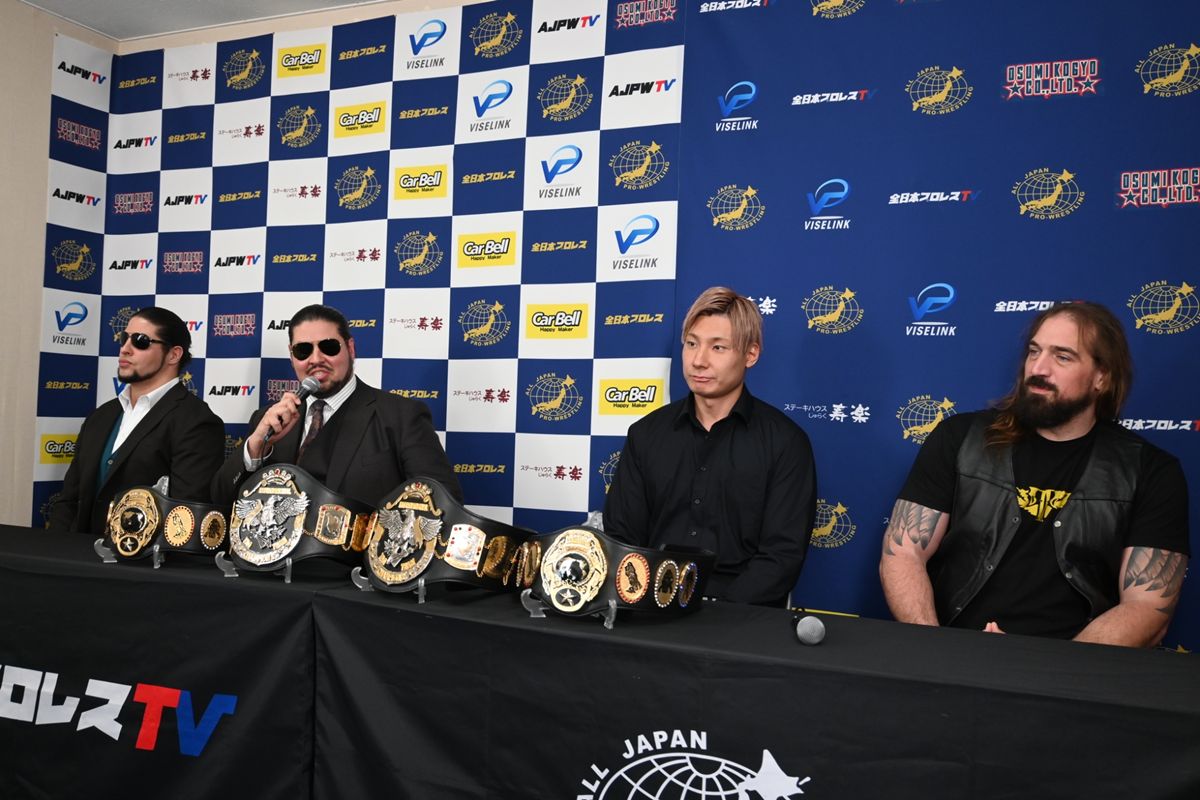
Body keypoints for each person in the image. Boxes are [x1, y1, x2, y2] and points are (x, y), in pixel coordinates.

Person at [880, 302, 1189, 647]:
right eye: (1034, 351)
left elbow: (1148, 607)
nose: (1039, 368)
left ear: (1102, 377)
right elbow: (902, 553)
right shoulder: (960, 438)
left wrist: (1052, 668)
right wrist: (936, 648)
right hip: (955, 650)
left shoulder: (1150, 471)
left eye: (1062, 357)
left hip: (1075, 667)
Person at [603, 286, 817, 606]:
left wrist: (721, 616)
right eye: (692, 344)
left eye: (718, 347)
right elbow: (622, 538)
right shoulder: (645, 434)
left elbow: (781, 556)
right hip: (652, 609)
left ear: (751, 354)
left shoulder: (785, 443)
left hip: (743, 618)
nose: (698, 361)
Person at [212, 304, 461, 507]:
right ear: (292, 356)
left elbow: (441, 504)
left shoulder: (400, 416)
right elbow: (221, 500)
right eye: (303, 350)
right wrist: (256, 446)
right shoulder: (268, 421)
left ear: (350, 348)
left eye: (328, 347)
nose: (316, 359)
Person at [47, 307, 225, 534]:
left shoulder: (197, 422)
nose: (125, 349)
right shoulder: (100, 416)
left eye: (140, 341)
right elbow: (69, 500)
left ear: (173, 355)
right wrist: (58, 549)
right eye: (124, 338)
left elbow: (185, 517)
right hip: (76, 553)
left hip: (143, 556)